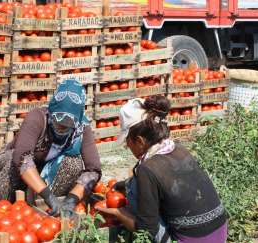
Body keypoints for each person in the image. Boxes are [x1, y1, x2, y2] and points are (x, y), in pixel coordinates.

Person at [96, 96, 228, 243]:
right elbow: (166, 178)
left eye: (128, 142)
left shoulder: (147, 169)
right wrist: (125, 184)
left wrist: (118, 213)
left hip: (191, 240)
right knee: (134, 186)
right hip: (219, 233)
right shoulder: (179, 149)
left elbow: (146, 230)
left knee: (135, 195)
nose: (128, 147)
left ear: (140, 141)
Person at [0, 79, 101, 217]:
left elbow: (93, 170)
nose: (61, 128)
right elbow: (22, 158)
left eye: (67, 126)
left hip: (48, 171)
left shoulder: (82, 127)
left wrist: (72, 199)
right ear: (52, 110)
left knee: (73, 163)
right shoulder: (37, 118)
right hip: (20, 167)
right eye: (58, 121)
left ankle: (38, 203)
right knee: (11, 164)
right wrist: (48, 196)